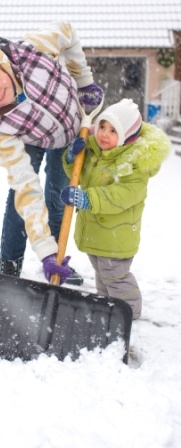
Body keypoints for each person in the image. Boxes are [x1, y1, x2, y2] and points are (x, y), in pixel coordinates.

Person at [0, 21, 103, 286]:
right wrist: (43, 250)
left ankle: (59, 261)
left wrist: (84, 81)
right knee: (21, 201)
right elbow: (27, 189)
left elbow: (67, 32)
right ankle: (10, 268)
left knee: (58, 199)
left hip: (71, 134)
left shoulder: (34, 50)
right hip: (28, 136)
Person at [60, 98, 171, 318]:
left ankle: (128, 312)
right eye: (102, 126)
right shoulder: (94, 151)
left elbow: (123, 195)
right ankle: (108, 307)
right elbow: (78, 174)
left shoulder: (133, 163)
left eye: (113, 130)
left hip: (115, 235)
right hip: (96, 233)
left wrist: (87, 199)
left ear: (127, 137)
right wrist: (72, 158)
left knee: (115, 276)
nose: (103, 134)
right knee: (102, 274)